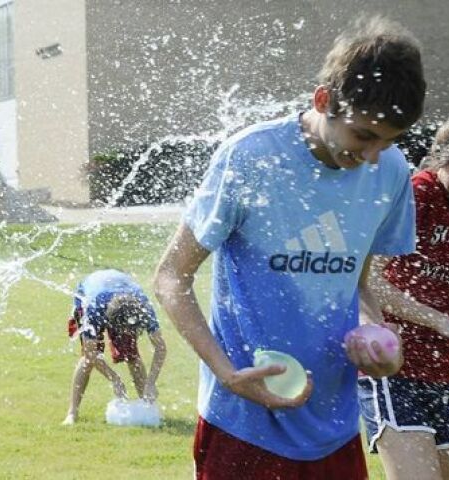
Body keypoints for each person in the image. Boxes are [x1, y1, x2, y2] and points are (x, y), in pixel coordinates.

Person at [154, 16, 426, 479]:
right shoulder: (251, 157)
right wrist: (226, 374)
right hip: (243, 422)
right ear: (323, 100)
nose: (372, 157)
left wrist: (378, 342)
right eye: (363, 135)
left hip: (334, 426)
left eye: (389, 142)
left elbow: (360, 284)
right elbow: (170, 277)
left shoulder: (392, 169)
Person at [359, 107, 449, 480]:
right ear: (439, 160)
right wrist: (448, 324)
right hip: (392, 365)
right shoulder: (417, 194)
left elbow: (445, 279)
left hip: (442, 372)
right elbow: (372, 282)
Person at [62, 269, 166, 425]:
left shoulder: (143, 307)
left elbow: (161, 348)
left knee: (131, 356)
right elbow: (91, 353)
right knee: (87, 360)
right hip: (89, 292)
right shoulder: (94, 308)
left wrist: (151, 383)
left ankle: (147, 406)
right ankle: (72, 413)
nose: (129, 334)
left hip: (119, 292)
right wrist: (114, 379)